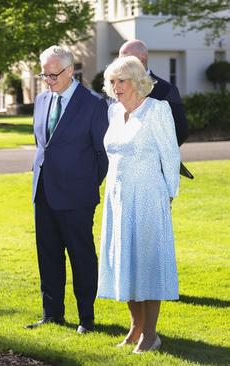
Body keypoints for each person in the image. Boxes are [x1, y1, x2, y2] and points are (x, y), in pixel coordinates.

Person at [97, 56, 180, 354]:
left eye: (122, 81)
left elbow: (171, 156)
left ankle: (151, 334)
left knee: (147, 262)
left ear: (137, 81)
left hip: (148, 196)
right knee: (124, 259)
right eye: (112, 82)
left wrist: (168, 195)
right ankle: (135, 326)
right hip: (117, 197)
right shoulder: (113, 112)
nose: (116, 87)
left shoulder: (157, 110)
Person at [27, 45, 109, 334]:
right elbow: (42, 146)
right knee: (48, 254)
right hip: (44, 192)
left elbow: (103, 155)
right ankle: (52, 314)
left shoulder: (94, 103)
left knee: (81, 256)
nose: (48, 80)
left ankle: (86, 318)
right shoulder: (40, 100)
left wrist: (87, 186)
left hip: (77, 196)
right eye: (44, 75)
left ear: (70, 70)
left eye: (54, 74)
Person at [119, 39, 192, 179]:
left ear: (142, 58)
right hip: (122, 171)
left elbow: (181, 131)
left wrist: (152, 154)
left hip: (156, 172)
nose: (119, 60)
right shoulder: (116, 89)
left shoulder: (166, 90)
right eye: (119, 56)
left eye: (124, 56)